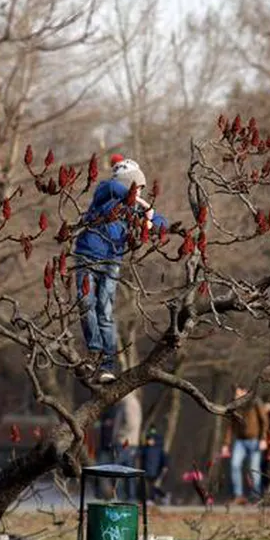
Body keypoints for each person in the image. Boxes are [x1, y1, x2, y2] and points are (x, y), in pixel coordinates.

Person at [74, 158, 169, 383]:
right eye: (136, 187)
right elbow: (111, 187)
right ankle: (94, 350)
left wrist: (150, 218)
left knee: (105, 312)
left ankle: (107, 365)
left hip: (111, 261)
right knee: (86, 305)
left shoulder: (133, 209)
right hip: (87, 255)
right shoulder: (104, 193)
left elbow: (162, 224)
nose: (139, 193)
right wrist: (138, 199)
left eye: (140, 189)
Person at [221, 385, 270, 504]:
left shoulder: (255, 402)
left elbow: (264, 420)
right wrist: (226, 444)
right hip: (240, 441)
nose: (235, 396)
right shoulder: (234, 405)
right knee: (234, 465)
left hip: (255, 440)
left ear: (245, 392)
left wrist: (263, 438)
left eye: (238, 393)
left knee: (254, 468)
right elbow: (229, 426)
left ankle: (256, 495)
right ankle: (238, 495)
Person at [112, 391, 143, 500]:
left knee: (118, 470)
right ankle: (128, 497)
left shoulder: (128, 402)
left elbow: (131, 423)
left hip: (125, 442)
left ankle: (121, 497)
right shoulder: (128, 402)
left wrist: (119, 434)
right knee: (126, 471)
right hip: (129, 442)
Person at [94, 402, 120, 499]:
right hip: (104, 447)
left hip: (112, 447)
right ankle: (101, 494)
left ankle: (113, 494)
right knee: (101, 472)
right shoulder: (104, 412)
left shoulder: (116, 411)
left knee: (113, 473)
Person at [139, 427, 170, 505]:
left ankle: (152, 499)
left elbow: (164, 459)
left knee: (153, 486)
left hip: (156, 471)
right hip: (147, 470)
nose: (149, 441)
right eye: (148, 439)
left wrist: (165, 466)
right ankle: (163, 496)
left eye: (150, 440)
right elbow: (142, 458)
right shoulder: (145, 449)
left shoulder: (159, 449)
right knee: (151, 486)